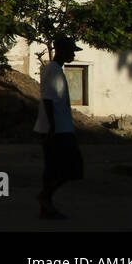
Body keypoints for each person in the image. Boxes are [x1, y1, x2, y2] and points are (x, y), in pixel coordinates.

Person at [34, 35, 84, 219]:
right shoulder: (54, 71)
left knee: (53, 169)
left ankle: (46, 207)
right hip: (58, 129)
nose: (73, 55)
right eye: (71, 51)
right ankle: (45, 197)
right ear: (61, 51)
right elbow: (48, 100)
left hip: (58, 127)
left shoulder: (55, 70)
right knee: (73, 168)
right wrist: (52, 128)